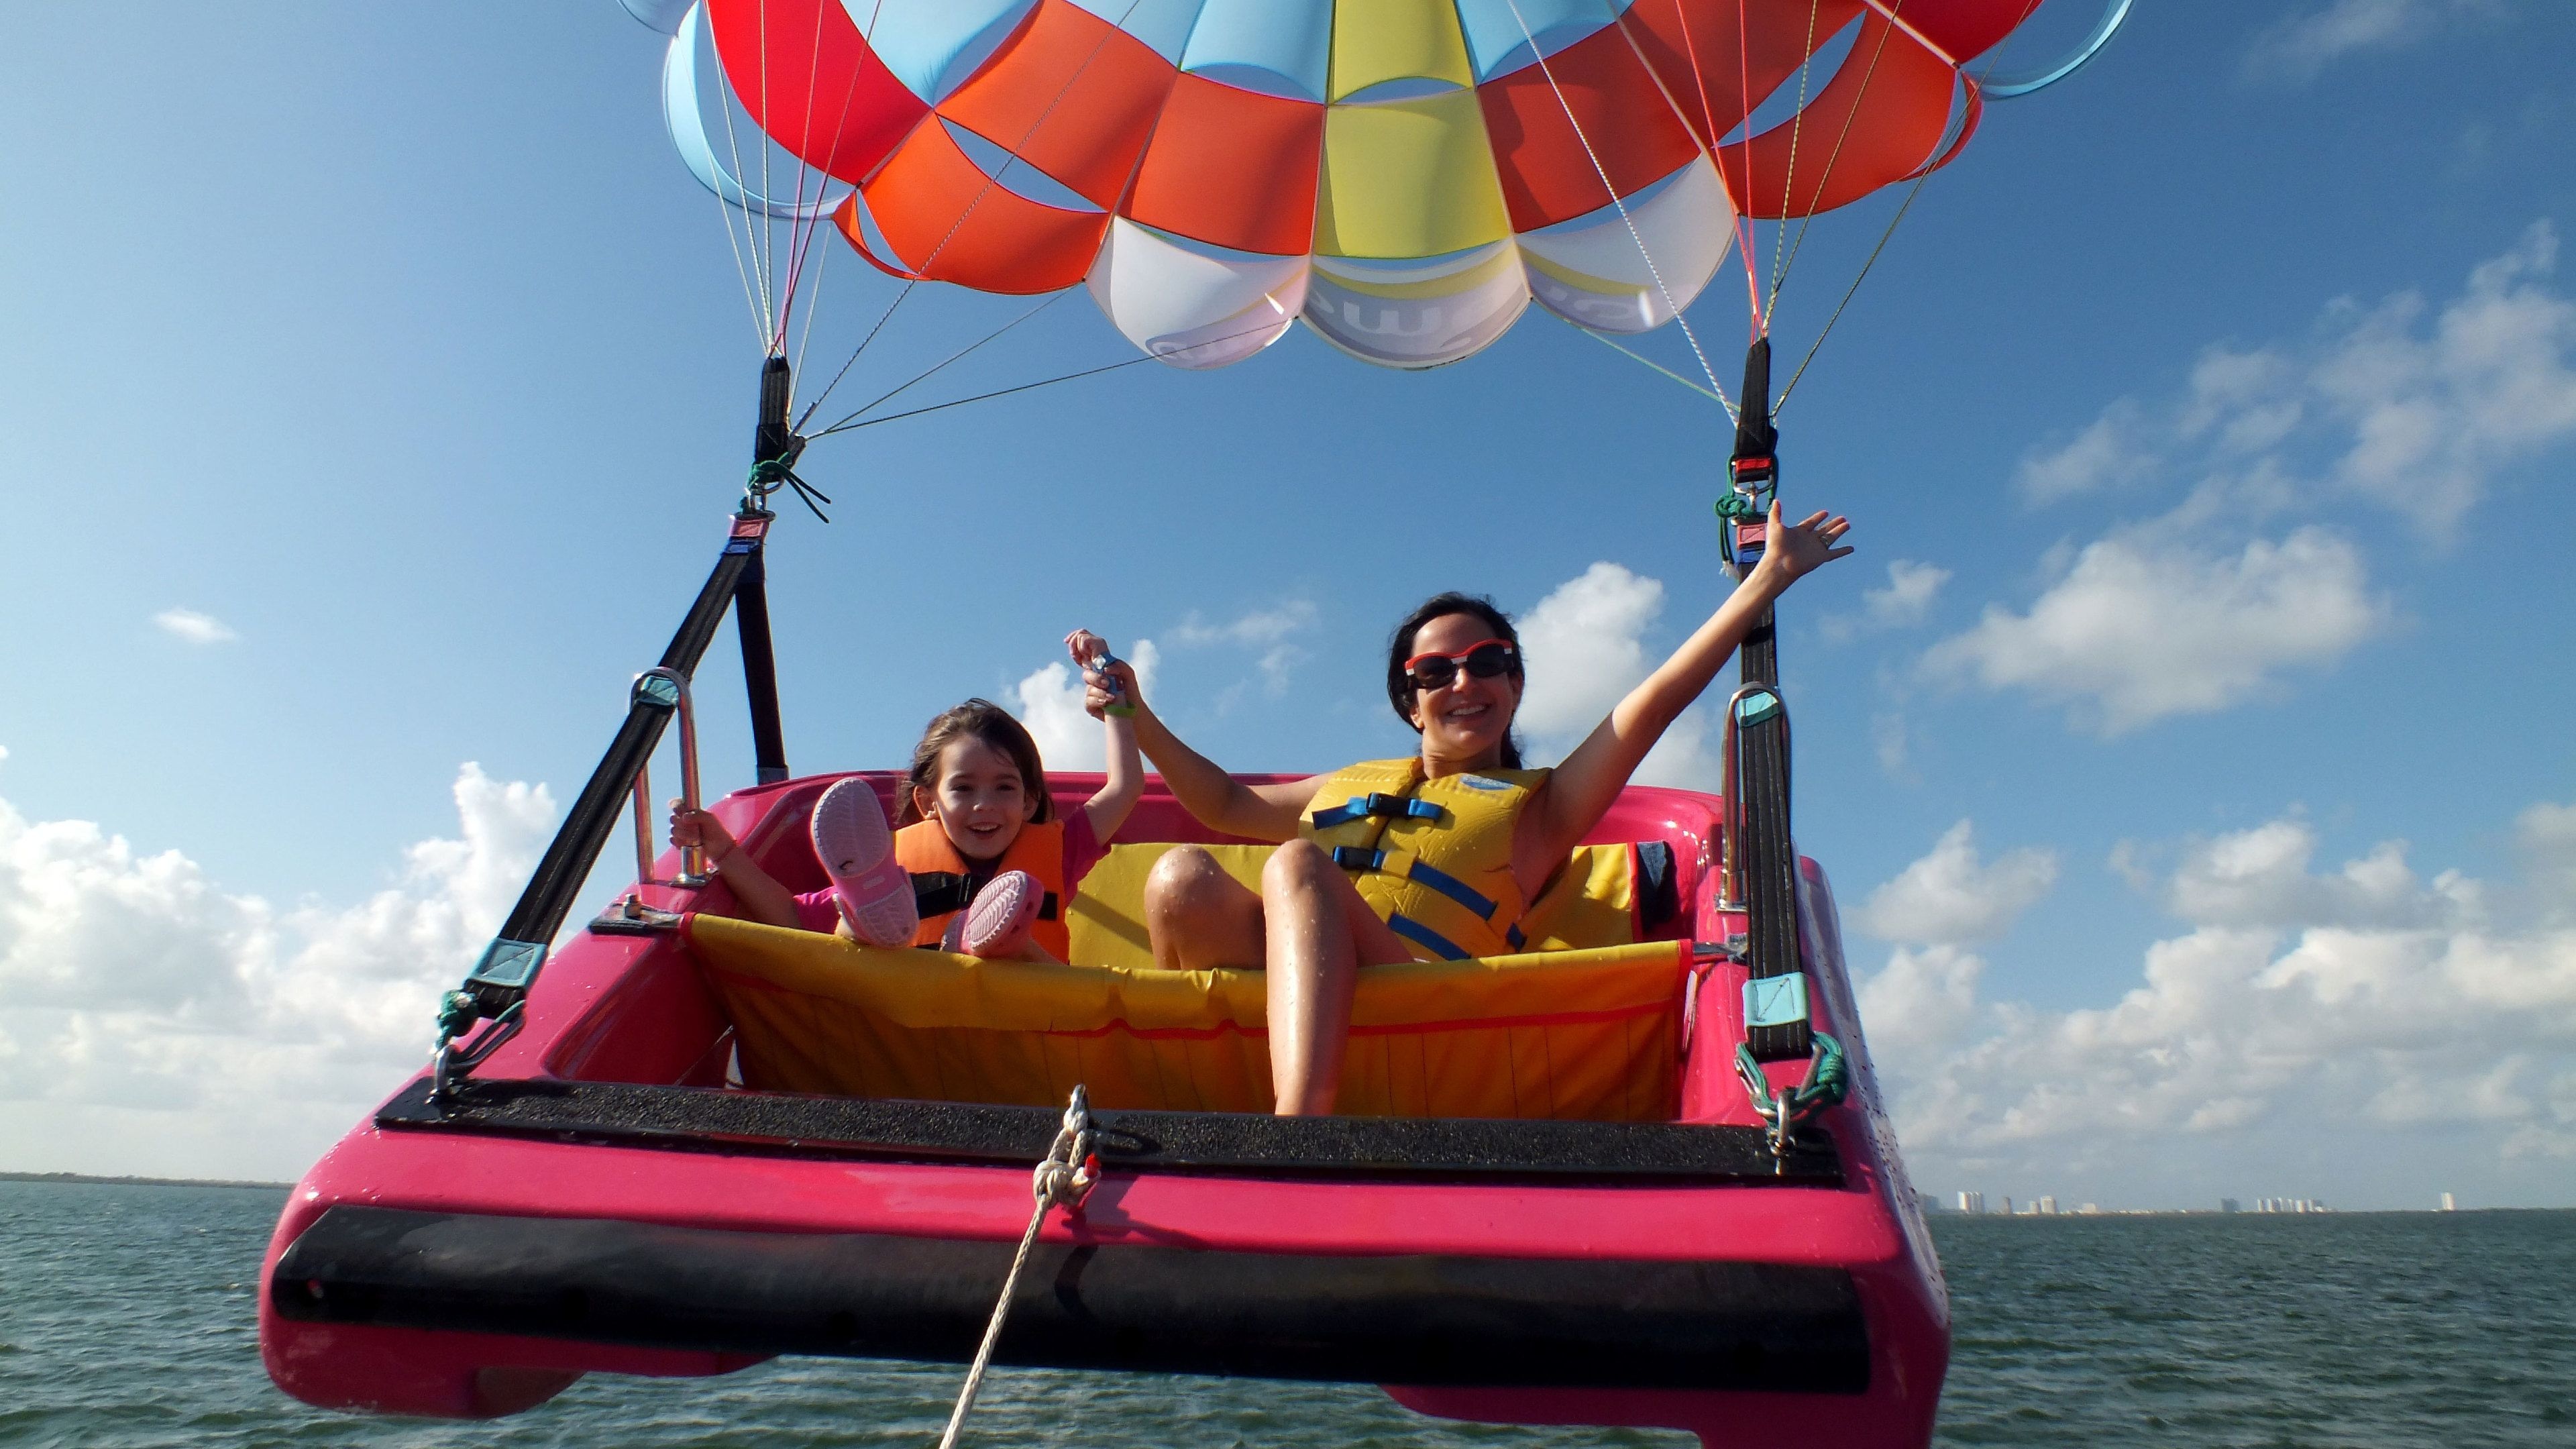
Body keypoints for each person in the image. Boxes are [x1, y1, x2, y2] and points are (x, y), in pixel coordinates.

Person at [1082, 502, 1851, 1114]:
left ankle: (1296, 1131)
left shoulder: (1543, 809)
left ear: (1515, 688)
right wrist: (1134, 711)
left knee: (1299, 865)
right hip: (1274, 1013)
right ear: (1409, 702)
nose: (1464, 682)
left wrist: (1764, 583)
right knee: (1180, 880)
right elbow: (1218, 802)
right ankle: (1196, 1103)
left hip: (1413, 1025)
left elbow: (1650, 707)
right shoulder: (1344, 784)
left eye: (1489, 664)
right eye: (1436, 671)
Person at [674, 630, 1140, 960]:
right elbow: (791, 916)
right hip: (917, 1040)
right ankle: (863, 923)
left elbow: (1125, 787)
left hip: (1028, 1027)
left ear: (1030, 802)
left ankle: (998, 942)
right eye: (962, 788)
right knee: (846, 930)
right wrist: (722, 850)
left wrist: (1111, 688)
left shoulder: (1060, 850)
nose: (985, 804)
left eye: (1005, 787)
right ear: (928, 803)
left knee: (1020, 953)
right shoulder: (888, 866)